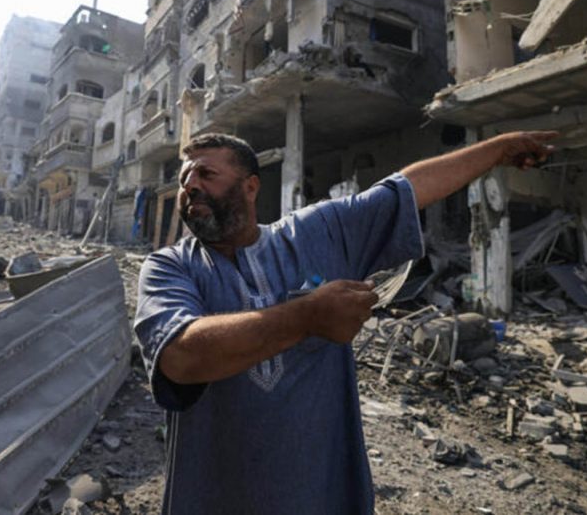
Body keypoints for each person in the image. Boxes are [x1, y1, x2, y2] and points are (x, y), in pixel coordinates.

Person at [134, 130, 557, 515]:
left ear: (250, 187)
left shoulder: (316, 233)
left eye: (205, 173)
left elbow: (405, 190)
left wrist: (498, 149)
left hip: (318, 494)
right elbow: (181, 358)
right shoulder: (168, 268)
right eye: (184, 178)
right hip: (216, 498)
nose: (189, 185)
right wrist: (305, 316)